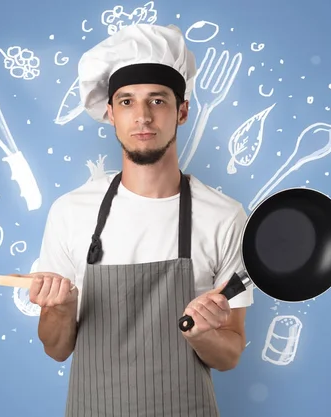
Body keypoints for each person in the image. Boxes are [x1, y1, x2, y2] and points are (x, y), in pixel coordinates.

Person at [25, 23, 254, 417]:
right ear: (110, 113)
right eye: (127, 101)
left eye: (158, 100)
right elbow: (56, 348)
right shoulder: (71, 212)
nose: (142, 116)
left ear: (182, 111)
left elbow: (230, 353)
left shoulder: (225, 216)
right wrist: (60, 309)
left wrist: (202, 335)